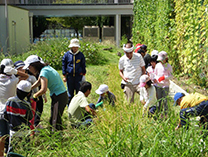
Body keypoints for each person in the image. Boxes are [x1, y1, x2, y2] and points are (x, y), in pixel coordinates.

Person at [23, 55, 68, 131]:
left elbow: (43, 89)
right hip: (59, 95)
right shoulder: (46, 69)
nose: (29, 70)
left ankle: (56, 137)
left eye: (29, 68)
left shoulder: (44, 72)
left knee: (55, 120)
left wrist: (35, 95)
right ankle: (57, 133)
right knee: (54, 117)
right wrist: (29, 89)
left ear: (34, 66)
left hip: (59, 97)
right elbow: (38, 82)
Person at [0, 59, 28, 157]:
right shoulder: (13, 81)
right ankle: (11, 152)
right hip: (11, 110)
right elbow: (26, 76)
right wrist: (15, 71)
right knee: (11, 133)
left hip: (0, 111)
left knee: (2, 134)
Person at [4, 80, 33, 153]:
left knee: (12, 148)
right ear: (28, 94)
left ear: (16, 89)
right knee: (26, 148)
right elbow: (30, 117)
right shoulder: (27, 105)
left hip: (13, 130)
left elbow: (5, 114)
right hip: (24, 130)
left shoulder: (9, 101)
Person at [62, 38, 86, 104]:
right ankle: (70, 106)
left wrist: (83, 74)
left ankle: (78, 105)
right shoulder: (67, 55)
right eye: (74, 47)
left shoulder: (81, 55)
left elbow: (83, 65)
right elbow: (64, 65)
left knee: (79, 92)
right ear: (71, 47)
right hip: (70, 77)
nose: (75, 48)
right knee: (70, 93)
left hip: (78, 76)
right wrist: (64, 75)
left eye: (76, 47)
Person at [154, 51, 173, 117]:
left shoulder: (168, 66)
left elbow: (171, 76)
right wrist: (156, 78)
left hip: (165, 85)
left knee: (165, 100)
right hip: (158, 85)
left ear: (166, 59)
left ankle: (166, 114)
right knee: (159, 99)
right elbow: (155, 74)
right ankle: (159, 113)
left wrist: (164, 77)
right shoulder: (157, 65)